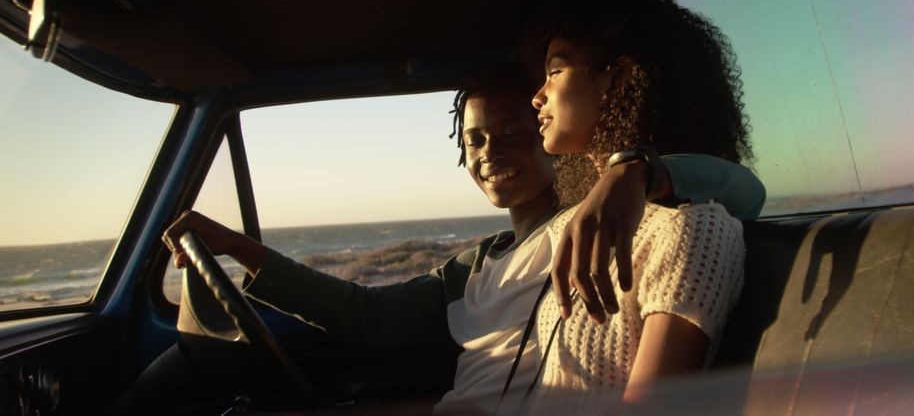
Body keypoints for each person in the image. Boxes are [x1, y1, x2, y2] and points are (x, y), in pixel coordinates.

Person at [163, 64, 763, 414]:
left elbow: (742, 193)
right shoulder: (479, 263)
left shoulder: (590, 227)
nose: (491, 154)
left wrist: (634, 172)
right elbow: (368, 317)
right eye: (475, 141)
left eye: (511, 134)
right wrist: (237, 248)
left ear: (548, 137)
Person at [527, 0, 752, 412]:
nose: (538, 96)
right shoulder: (580, 225)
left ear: (618, 78)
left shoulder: (692, 229)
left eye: (555, 71)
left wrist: (634, 168)